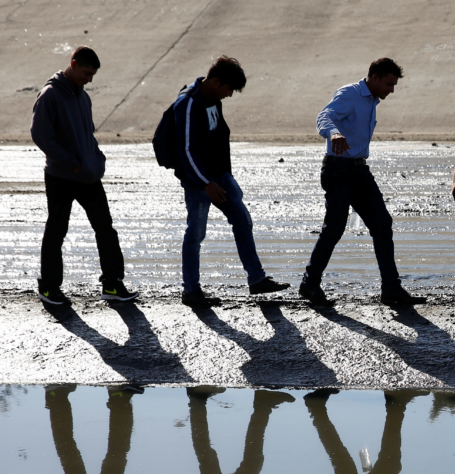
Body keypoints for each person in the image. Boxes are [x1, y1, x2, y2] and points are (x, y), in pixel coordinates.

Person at [300, 58, 425, 307]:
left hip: (359, 171)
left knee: (382, 224)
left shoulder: (371, 100)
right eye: (389, 84)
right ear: (375, 77)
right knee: (334, 229)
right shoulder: (350, 93)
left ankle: (391, 288)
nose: (392, 89)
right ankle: (309, 284)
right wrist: (334, 133)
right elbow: (324, 116)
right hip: (338, 171)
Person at [171, 56, 289, 308]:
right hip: (199, 181)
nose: (230, 95)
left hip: (220, 175)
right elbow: (186, 151)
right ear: (215, 81)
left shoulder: (213, 99)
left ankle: (256, 279)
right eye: (229, 89)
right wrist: (206, 183)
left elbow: (217, 138)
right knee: (196, 233)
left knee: (243, 220)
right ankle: (191, 291)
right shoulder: (189, 103)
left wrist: (224, 175)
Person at [30, 46, 136, 306]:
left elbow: (88, 135)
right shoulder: (50, 95)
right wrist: (71, 164)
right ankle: (49, 287)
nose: (90, 79)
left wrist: (96, 161)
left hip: (88, 175)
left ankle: (112, 284)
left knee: (105, 229)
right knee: (56, 230)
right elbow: (41, 135)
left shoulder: (82, 97)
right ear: (74, 64)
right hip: (60, 176)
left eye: (93, 75)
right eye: (87, 73)